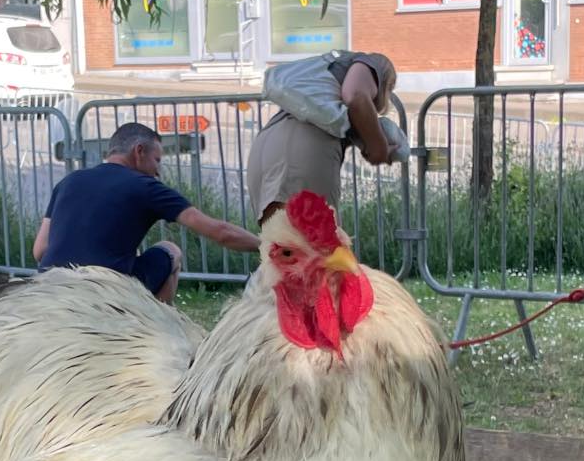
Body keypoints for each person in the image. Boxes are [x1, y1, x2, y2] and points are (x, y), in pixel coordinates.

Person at [32, 122, 260, 304]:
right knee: (171, 251)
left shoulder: (69, 181)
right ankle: (156, 332)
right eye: (157, 160)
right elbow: (220, 233)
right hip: (105, 293)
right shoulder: (146, 187)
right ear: (139, 151)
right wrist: (269, 246)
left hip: (51, 288)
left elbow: (40, 250)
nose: (158, 171)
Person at [247, 51, 398, 228]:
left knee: (285, 249)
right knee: (324, 248)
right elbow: (355, 95)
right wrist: (379, 148)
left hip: (266, 147)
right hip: (303, 150)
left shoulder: (326, 89)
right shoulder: (371, 63)